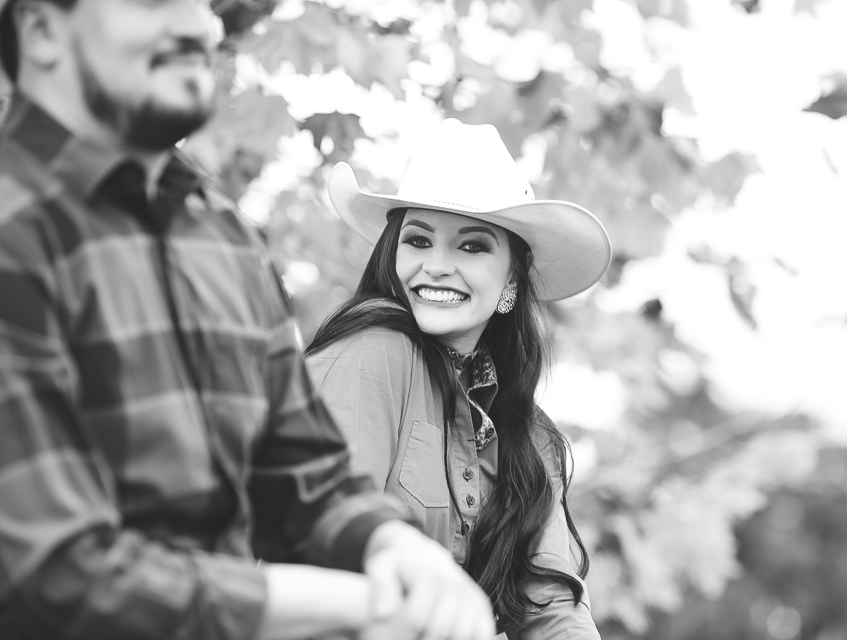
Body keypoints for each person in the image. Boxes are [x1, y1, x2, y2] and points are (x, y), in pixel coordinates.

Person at [0, 1, 495, 639]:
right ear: (42, 31)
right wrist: (350, 603)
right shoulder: (14, 226)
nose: (200, 26)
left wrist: (390, 546)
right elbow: (50, 574)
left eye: (203, 4)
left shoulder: (220, 231)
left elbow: (303, 474)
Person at [304, 119, 611, 639]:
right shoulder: (370, 356)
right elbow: (320, 544)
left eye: (471, 247)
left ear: (512, 277)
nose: (436, 266)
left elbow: (552, 609)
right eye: (418, 240)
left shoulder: (530, 436)